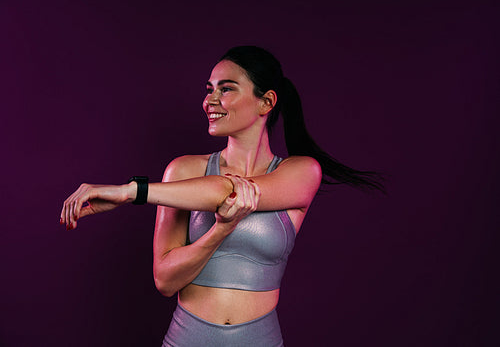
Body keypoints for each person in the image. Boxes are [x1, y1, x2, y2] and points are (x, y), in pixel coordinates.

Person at [60, 46, 384, 346]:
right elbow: (165, 281)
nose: (210, 100)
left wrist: (132, 191)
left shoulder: (301, 172)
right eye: (209, 89)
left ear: (266, 102)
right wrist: (220, 231)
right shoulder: (184, 170)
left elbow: (226, 189)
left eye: (225, 89)